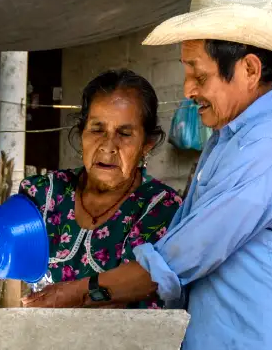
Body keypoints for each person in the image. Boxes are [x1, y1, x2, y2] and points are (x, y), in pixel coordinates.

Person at [23, 0, 272, 349]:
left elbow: (174, 262)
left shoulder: (270, 146)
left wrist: (75, 293)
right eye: (186, 72)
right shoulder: (232, 137)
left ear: (250, 70)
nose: (188, 90)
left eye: (199, 75)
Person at [18, 69, 181, 309]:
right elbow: (13, 279)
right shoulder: (42, 195)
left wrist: (78, 295)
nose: (108, 146)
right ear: (81, 132)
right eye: (97, 129)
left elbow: (150, 280)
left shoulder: (161, 207)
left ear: (147, 144)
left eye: (124, 134)